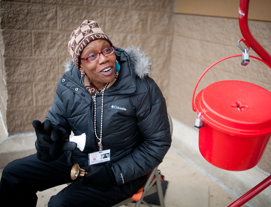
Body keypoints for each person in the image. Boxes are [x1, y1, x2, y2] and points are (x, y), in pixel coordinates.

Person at [0, 20, 171, 207]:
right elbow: (58, 121)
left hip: (122, 166)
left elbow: (157, 142)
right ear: (79, 66)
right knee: (13, 173)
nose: (104, 58)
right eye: (91, 56)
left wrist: (115, 173)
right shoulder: (69, 84)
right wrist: (49, 142)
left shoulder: (142, 88)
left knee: (61, 204)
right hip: (80, 157)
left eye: (107, 50)